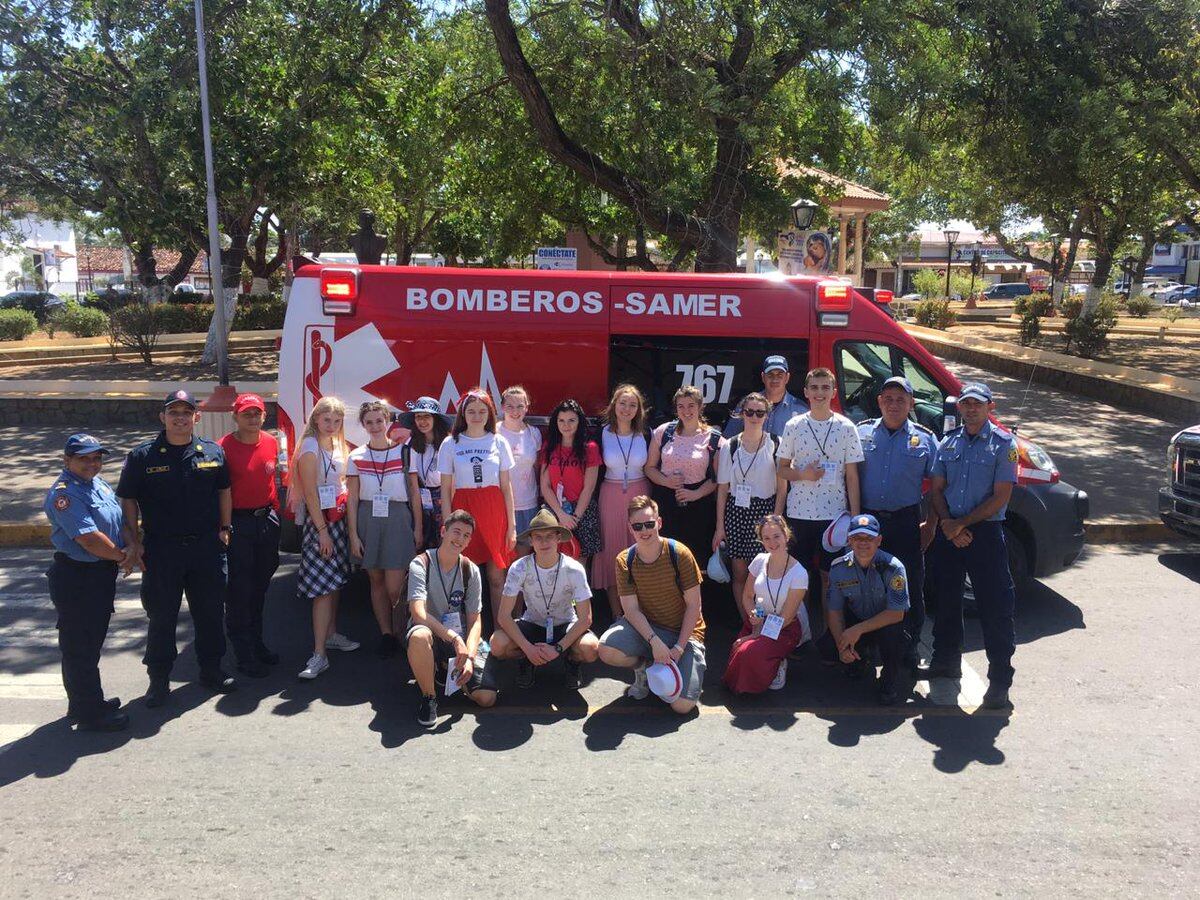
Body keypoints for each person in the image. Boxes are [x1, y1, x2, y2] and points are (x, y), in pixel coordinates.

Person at [117, 390, 236, 706]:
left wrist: (225, 528)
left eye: (187, 412)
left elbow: (224, 490)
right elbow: (127, 497)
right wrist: (134, 539)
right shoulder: (143, 456)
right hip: (162, 551)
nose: (180, 418)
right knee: (161, 617)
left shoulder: (212, 452)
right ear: (163, 417)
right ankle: (158, 680)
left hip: (205, 549)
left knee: (210, 613)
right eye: (174, 413)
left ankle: (211, 670)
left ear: (196, 417)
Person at [926, 381, 1019, 710]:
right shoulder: (948, 442)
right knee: (947, 600)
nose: (970, 409)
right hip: (951, 531)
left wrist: (959, 525)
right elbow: (937, 489)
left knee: (995, 608)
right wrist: (949, 525)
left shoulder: (1003, 444)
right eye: (966, 403)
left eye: (977, 404)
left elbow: (1002, 495)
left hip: (985, 533)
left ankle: (1000, 681)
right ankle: (946, 660)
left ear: (990, 407)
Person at [44, 434, 138, 731]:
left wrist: (132, 544)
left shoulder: (97, 483)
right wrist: (123, 556)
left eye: (96, 457)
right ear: (67, 461)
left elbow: (118, 519)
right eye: (83, 458)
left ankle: (82, 702)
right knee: (80, 647)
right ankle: (90, 714)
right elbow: (88, 539)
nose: (91, 463)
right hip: (77, 576)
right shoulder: (65, 494)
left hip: (99, 574)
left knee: (87, 643)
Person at [776, 367, 863, 662]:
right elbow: (781, 469)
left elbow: (852, 477)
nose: (819, 393)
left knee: (829, 578)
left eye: (825, 388)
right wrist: (803, 474)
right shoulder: (794, 425)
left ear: (834, 392)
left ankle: (830, 638)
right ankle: (797, 635)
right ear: (806, 392)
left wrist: (855, 517)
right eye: (814, 388)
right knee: (798, 579)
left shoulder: (847, 427)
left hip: (834, 517)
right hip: (799, 513)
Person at [856, 376, 939, 669]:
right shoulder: (861, 433)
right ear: (879, 402)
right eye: (888, 399)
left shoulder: (926, 439)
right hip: (868, 521)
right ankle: (864, 648)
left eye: (900, 399)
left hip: (906, 521)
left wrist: (930, 524)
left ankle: (909, 646)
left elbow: (939, 486)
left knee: (910, 585)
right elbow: (847, 478)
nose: (893, 404)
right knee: (863, 585)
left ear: (911, 403)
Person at [598, 495, 706, 715]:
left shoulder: (680, 553)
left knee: (682, 706)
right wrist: (654, 642)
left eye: (649, 524)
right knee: (606, 649)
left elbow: (694, 606)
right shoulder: (624, 560)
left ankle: (679, 666)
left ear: (659, 522)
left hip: (683, 634)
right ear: (630, 528)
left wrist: (678, 648)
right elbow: (631, 610)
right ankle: (645, 670)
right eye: (638, 526)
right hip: (649, 630)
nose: (644, 530)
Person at [406, 510, 499, 727]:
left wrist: (469, 656)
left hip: (459, 638)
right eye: (456, 532)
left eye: (466, 536)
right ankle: (429, 697)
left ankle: (446, 669)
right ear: (443, 532)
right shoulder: (421, 564)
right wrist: (455, 639)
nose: (460, 539)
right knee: (420, 635)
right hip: (432, 632)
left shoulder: (471, 570)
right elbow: (418, 613)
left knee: (487, 698)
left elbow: (475, 620)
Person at [490, 508, 600, 691]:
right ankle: (527, 660)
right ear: (531, 541)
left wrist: (557, 648)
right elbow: (503, 616)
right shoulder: (519, 567)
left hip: (565, 624)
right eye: (538, 537)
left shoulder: (574, 569)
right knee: (497, 643)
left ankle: (572, 662)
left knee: (591, 648)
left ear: (558, 538)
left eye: (549, 536)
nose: (544, 542)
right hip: (532, 623)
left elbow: (585, 618)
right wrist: (528, 648)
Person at [290, 396, 360, 681]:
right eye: (326, 419)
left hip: (337, 520)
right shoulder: (309, 447)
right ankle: (319, 654)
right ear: (316, 419)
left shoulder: (337, 445)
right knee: (321, 587)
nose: (331, 425)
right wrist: (321, 532)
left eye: (337, 420)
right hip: (320, 525)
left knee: (334, 582)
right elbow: (309, 493)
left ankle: (331, 635)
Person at [346, 400, 421, 659]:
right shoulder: (356, 456)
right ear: (363, 425)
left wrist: (418, 527)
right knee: (375, 580)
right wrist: (353, 534)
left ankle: (404, 633)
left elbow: (414, 492)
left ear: (388, 421)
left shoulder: (404, 453)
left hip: (398, 518)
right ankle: (386, 634)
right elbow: (353, 499)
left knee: (395, 587)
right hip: (369, 518)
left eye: (380, 421)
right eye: (369, 422)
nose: (375, 426)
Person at [218, 393, 282, 679]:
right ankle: (242, 653)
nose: (252, 418)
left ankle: (257, 644)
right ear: (235, 417)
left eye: (257, 413)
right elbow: (220, 493)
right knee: (239, 592)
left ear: (264, 416)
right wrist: (224, 527)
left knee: (260, 588)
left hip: (266, 521)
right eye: (246, 414)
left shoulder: (271, 442)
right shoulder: (223, 448)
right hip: (238, 525)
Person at [437, 389, 517, 620]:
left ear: (490, 413)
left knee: (496, 576)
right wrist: (447, 523)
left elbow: (506, 487)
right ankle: (467, 631)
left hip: (493, 509)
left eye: (482, 411)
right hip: (463, 508)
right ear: (462, 413)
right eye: (471, 411)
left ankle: (503, 630)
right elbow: (445, 488)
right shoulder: (451, 443)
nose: (476, 415)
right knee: (464, 575)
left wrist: (511, 526)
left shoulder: (498, 441)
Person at [713, 392, 786, 621]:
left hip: (765, 513)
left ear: (767, 415)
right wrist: (719, 526)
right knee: (740, 573)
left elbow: (782, 488)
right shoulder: (730, 446)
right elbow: (723, 489)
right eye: (749, 412)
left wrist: (776, 519)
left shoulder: (776, 443)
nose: (754, 416)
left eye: (760, 412)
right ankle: (748, 622)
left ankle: (764, 622)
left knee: (764, 574)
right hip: (736, 512)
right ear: (742, 414)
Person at [827, 515, 910, 706]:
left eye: (869, 538)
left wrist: (857, 630)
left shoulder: (894, 567)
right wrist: (842, 646)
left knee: (893, 638)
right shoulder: (838, 568)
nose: (863, 543)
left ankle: (889, 680)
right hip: (858, 620)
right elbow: (834, 611)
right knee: (828, 645)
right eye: (857, 538)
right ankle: (858, 659)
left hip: (885, 624)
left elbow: (896, 613)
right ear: (849, 540)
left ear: (879, 540)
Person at [722, 515, 809, 695]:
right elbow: (747, 596)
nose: (772, 542)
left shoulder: (799, 573)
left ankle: (778, 663)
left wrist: (756, 636)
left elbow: (786, 618)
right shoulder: (759, 560)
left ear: (786, 535)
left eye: (776, 536)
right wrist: (753, 617)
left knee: (748, 651)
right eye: (766, 538)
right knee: (739, 648)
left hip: (785, 627)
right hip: (759, 621)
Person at [645, 385, 723, 567]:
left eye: (691, 405)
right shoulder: (663, 432)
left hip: (699, 506)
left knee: (694, 559)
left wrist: (696, 494)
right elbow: (649, 468)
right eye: (681, 406)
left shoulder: (714, 438)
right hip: (665, 502)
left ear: (700, 407)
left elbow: (717, 479)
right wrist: (666, 481)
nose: (686, 411)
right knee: (665, 556)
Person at [592, 384, 650, 610]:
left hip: (640, 495)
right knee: (613, 552)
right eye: (622, 403)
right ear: (614, 405)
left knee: (642, 549)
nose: (627, 409)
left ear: (639, 409)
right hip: (610, 496)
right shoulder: (602, 432)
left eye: (633, 405)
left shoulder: (646, 433)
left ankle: (641, 612)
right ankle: (618, 614)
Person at [540, 397, 602, 567]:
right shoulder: (549, 447)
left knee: (578, 566)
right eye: (561, 420)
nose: (566, 425)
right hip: (555, 510)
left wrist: (574, 518)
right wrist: (561, 515)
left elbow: (589, 488)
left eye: (571, 420)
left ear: (579, 422)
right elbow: (545, 486)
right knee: (552, 562)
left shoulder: (590, 448)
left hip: (582, 512)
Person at [400, 396, 452, 550]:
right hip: (420, 502)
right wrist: (418, 527)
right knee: (422, 548)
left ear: (435, 419)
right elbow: (414, 488)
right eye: (418, 417)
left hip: (445, 499)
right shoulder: (411, 445)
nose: (422, 421)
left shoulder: (448, 443)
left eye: (427, 416)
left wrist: (448, 519)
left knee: (445, 546)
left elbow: (450, 487)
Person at [498, 385, 543, 546]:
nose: (514, 411)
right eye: (509, 406)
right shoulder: (494, 432)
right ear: (502, 407)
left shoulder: (534, 434)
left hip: (528, 503)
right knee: (503, 557)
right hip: (500, 504)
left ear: (526, 407)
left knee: (522, 556)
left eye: (519, 406)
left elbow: (537, 468)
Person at [723, 355, 808, 438]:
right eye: (770, 375)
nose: (775, 379)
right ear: (763, 377)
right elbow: (728, 440)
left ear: (787, 378)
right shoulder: (747, 405)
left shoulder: (800, 410)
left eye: (780, 375)